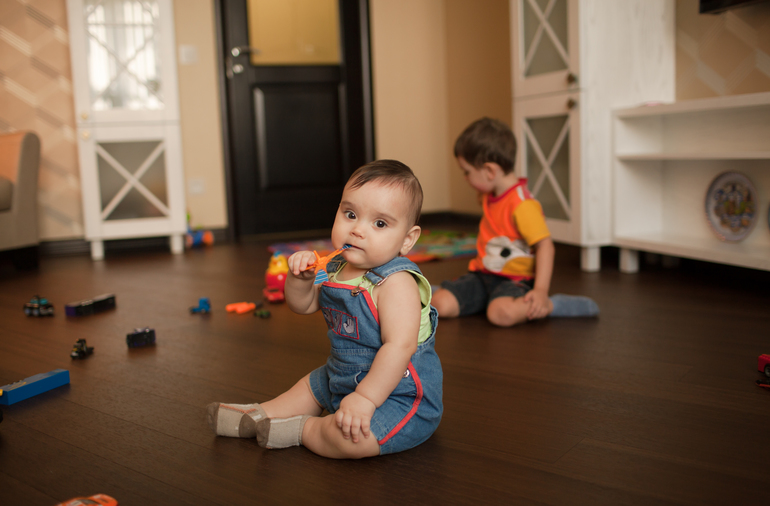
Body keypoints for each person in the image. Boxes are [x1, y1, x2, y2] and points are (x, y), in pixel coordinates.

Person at [207, 160, 442, 459]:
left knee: (352, 441)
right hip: (341, 375)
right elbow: (303, 305)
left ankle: (305, 429)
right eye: (350, 214)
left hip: (398, 396)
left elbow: (399, 347)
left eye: (380, 223)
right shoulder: (334, 267)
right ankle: (259, 415)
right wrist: (300, 279)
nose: (357, 230)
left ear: (407, 240)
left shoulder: (397, 283)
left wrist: (365, 399)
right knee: (307, 389)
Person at [431, 117, 599, 327]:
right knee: (440, 304)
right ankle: (467, 296)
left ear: (490, 171)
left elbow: (545, 246)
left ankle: (550, 305)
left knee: (501, 315)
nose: (465, 178)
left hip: (514, 281)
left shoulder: (522, 205)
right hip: (482, 275)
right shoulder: (490, 194)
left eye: (467, 172)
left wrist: (540, 291)